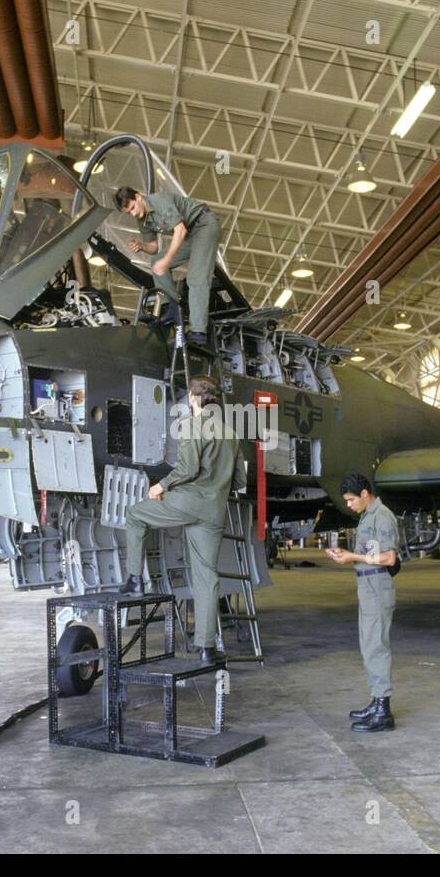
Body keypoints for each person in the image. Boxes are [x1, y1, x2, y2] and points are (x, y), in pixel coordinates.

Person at [121, 375, 245, 664]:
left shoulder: (192, 426)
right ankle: (206, 648)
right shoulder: (231, 434)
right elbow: (239, 480)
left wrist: (160, 486)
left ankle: (135, 579)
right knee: (206, 577)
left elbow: (187, 469)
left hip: (188, 502)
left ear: (192, 397)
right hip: (214, 511)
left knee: (135, 515)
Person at [326, 473, 398, 732]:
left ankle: (383, 712)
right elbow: (371, 554)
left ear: (365, 494)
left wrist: (352, 556)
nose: (348, 505)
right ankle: (376, 701)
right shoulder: (368, 516)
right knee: (369, 645)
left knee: (376, 646)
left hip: (377, 586)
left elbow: (390, 558)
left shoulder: (382, 516)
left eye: (350, 500)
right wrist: (346, 556)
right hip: (368, 585)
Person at [115, 186, 219, 344]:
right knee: (156, 261)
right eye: (129, 212)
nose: (133, 213)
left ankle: (198, 332)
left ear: (138, 197)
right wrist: (142, 245)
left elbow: (180, 230)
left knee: (196, 278)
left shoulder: (159, 201)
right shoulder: (142, 220)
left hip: (204, 225)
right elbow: (154, 247)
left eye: (132, 207)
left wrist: (168, 260)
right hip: (191, 235)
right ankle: (171, 308)